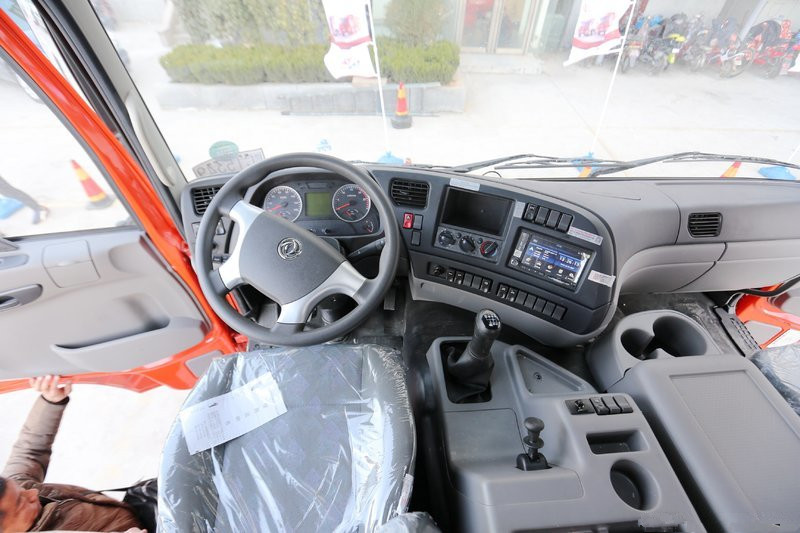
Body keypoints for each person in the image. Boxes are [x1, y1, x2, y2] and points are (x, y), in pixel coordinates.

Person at [0, 376, 145, 532]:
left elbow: (30, 450)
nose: (32, 492)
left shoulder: (19, 485)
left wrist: (51, 402)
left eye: (21, 490)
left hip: (136, 512)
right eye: (21, 503)